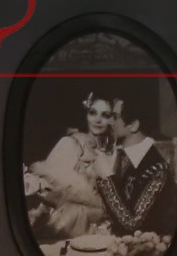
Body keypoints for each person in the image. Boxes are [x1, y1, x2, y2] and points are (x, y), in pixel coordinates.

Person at [24, 91, 114, 239]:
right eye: (93, 113)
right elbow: (51, 190)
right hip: (70, 227)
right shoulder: (71, 143)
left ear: (112, 120)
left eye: (105, 115)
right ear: (85, 114)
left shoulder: (113, 152)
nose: (97, 120)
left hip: (102, 230)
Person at [91, 95, 177, 239]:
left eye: (115, 117)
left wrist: (107, 178)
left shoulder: (157, 169)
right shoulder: (122, 156)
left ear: (133, 125)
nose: (109, 122)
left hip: (145, 247)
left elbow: (132, 223)